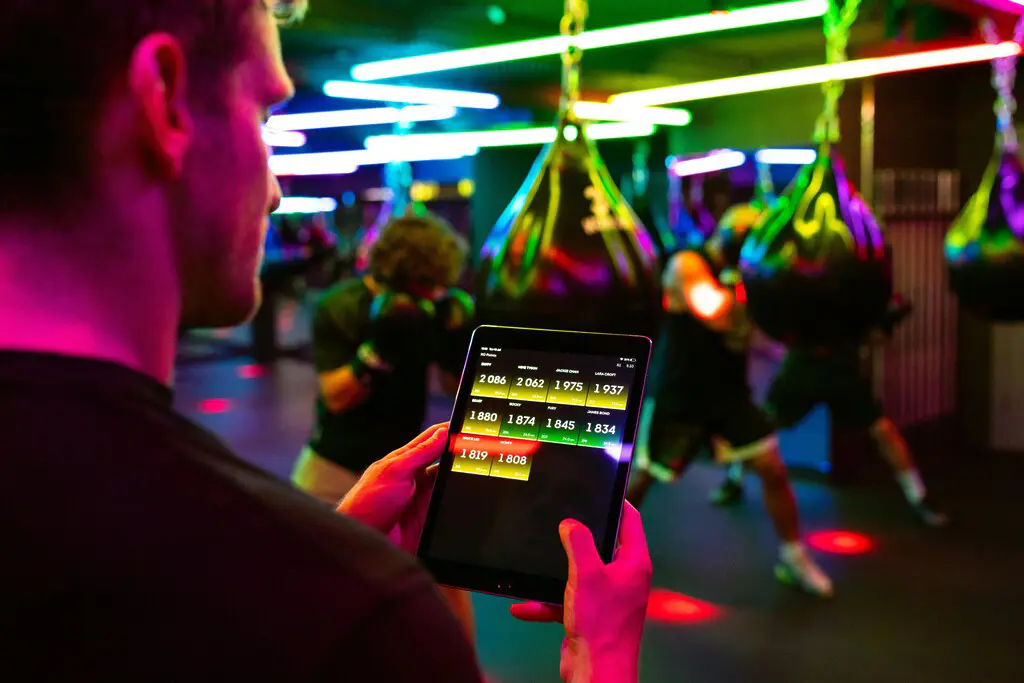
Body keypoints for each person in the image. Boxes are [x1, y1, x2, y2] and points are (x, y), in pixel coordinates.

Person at [0, 2, 653, 681]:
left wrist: (331, 549)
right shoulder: (352, 617)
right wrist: (601, 658)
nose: (278, 190)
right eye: (263, 117)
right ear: (163, 99)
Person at [626, 204, 834, 598]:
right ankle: (599, 550)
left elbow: (753, 332)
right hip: (681, 394)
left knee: (772, 468)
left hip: (728, 396)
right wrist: (762, 294)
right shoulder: (687, 264)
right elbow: (717, 313)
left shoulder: (750, 276)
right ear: (731, 232)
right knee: (643, 478)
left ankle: (793, 556)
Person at [291, 211, 478, 640]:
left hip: (402, 465)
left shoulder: (432, 308)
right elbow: (337, 397)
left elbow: (452, 386)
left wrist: (455, 351)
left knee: (444, 577)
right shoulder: (339, 307)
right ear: (404, 275)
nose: (436, 292)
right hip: (335, 466)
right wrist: (379, 351)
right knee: (309, 573)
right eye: (428, 283)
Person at [709, 296, 950, 527]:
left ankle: (918, 496)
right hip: (800, 372)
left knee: (883, 430)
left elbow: (873, 337)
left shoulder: (849, 295)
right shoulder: (799, 288)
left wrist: (887, 321)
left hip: (841, 371)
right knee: (761, 428)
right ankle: (734, 482)